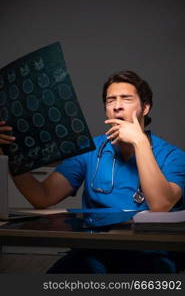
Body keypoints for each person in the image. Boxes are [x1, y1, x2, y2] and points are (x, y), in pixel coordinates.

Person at [0, 70, 185, 273]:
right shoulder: (90, 150)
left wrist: (140, 141)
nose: (117, 106)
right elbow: (42, 197)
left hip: (150, 254)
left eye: (127, 98)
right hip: (95, 251)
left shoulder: (173, 156)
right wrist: (10, 153)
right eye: (110, 100)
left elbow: (161, 205)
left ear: (145, 107)